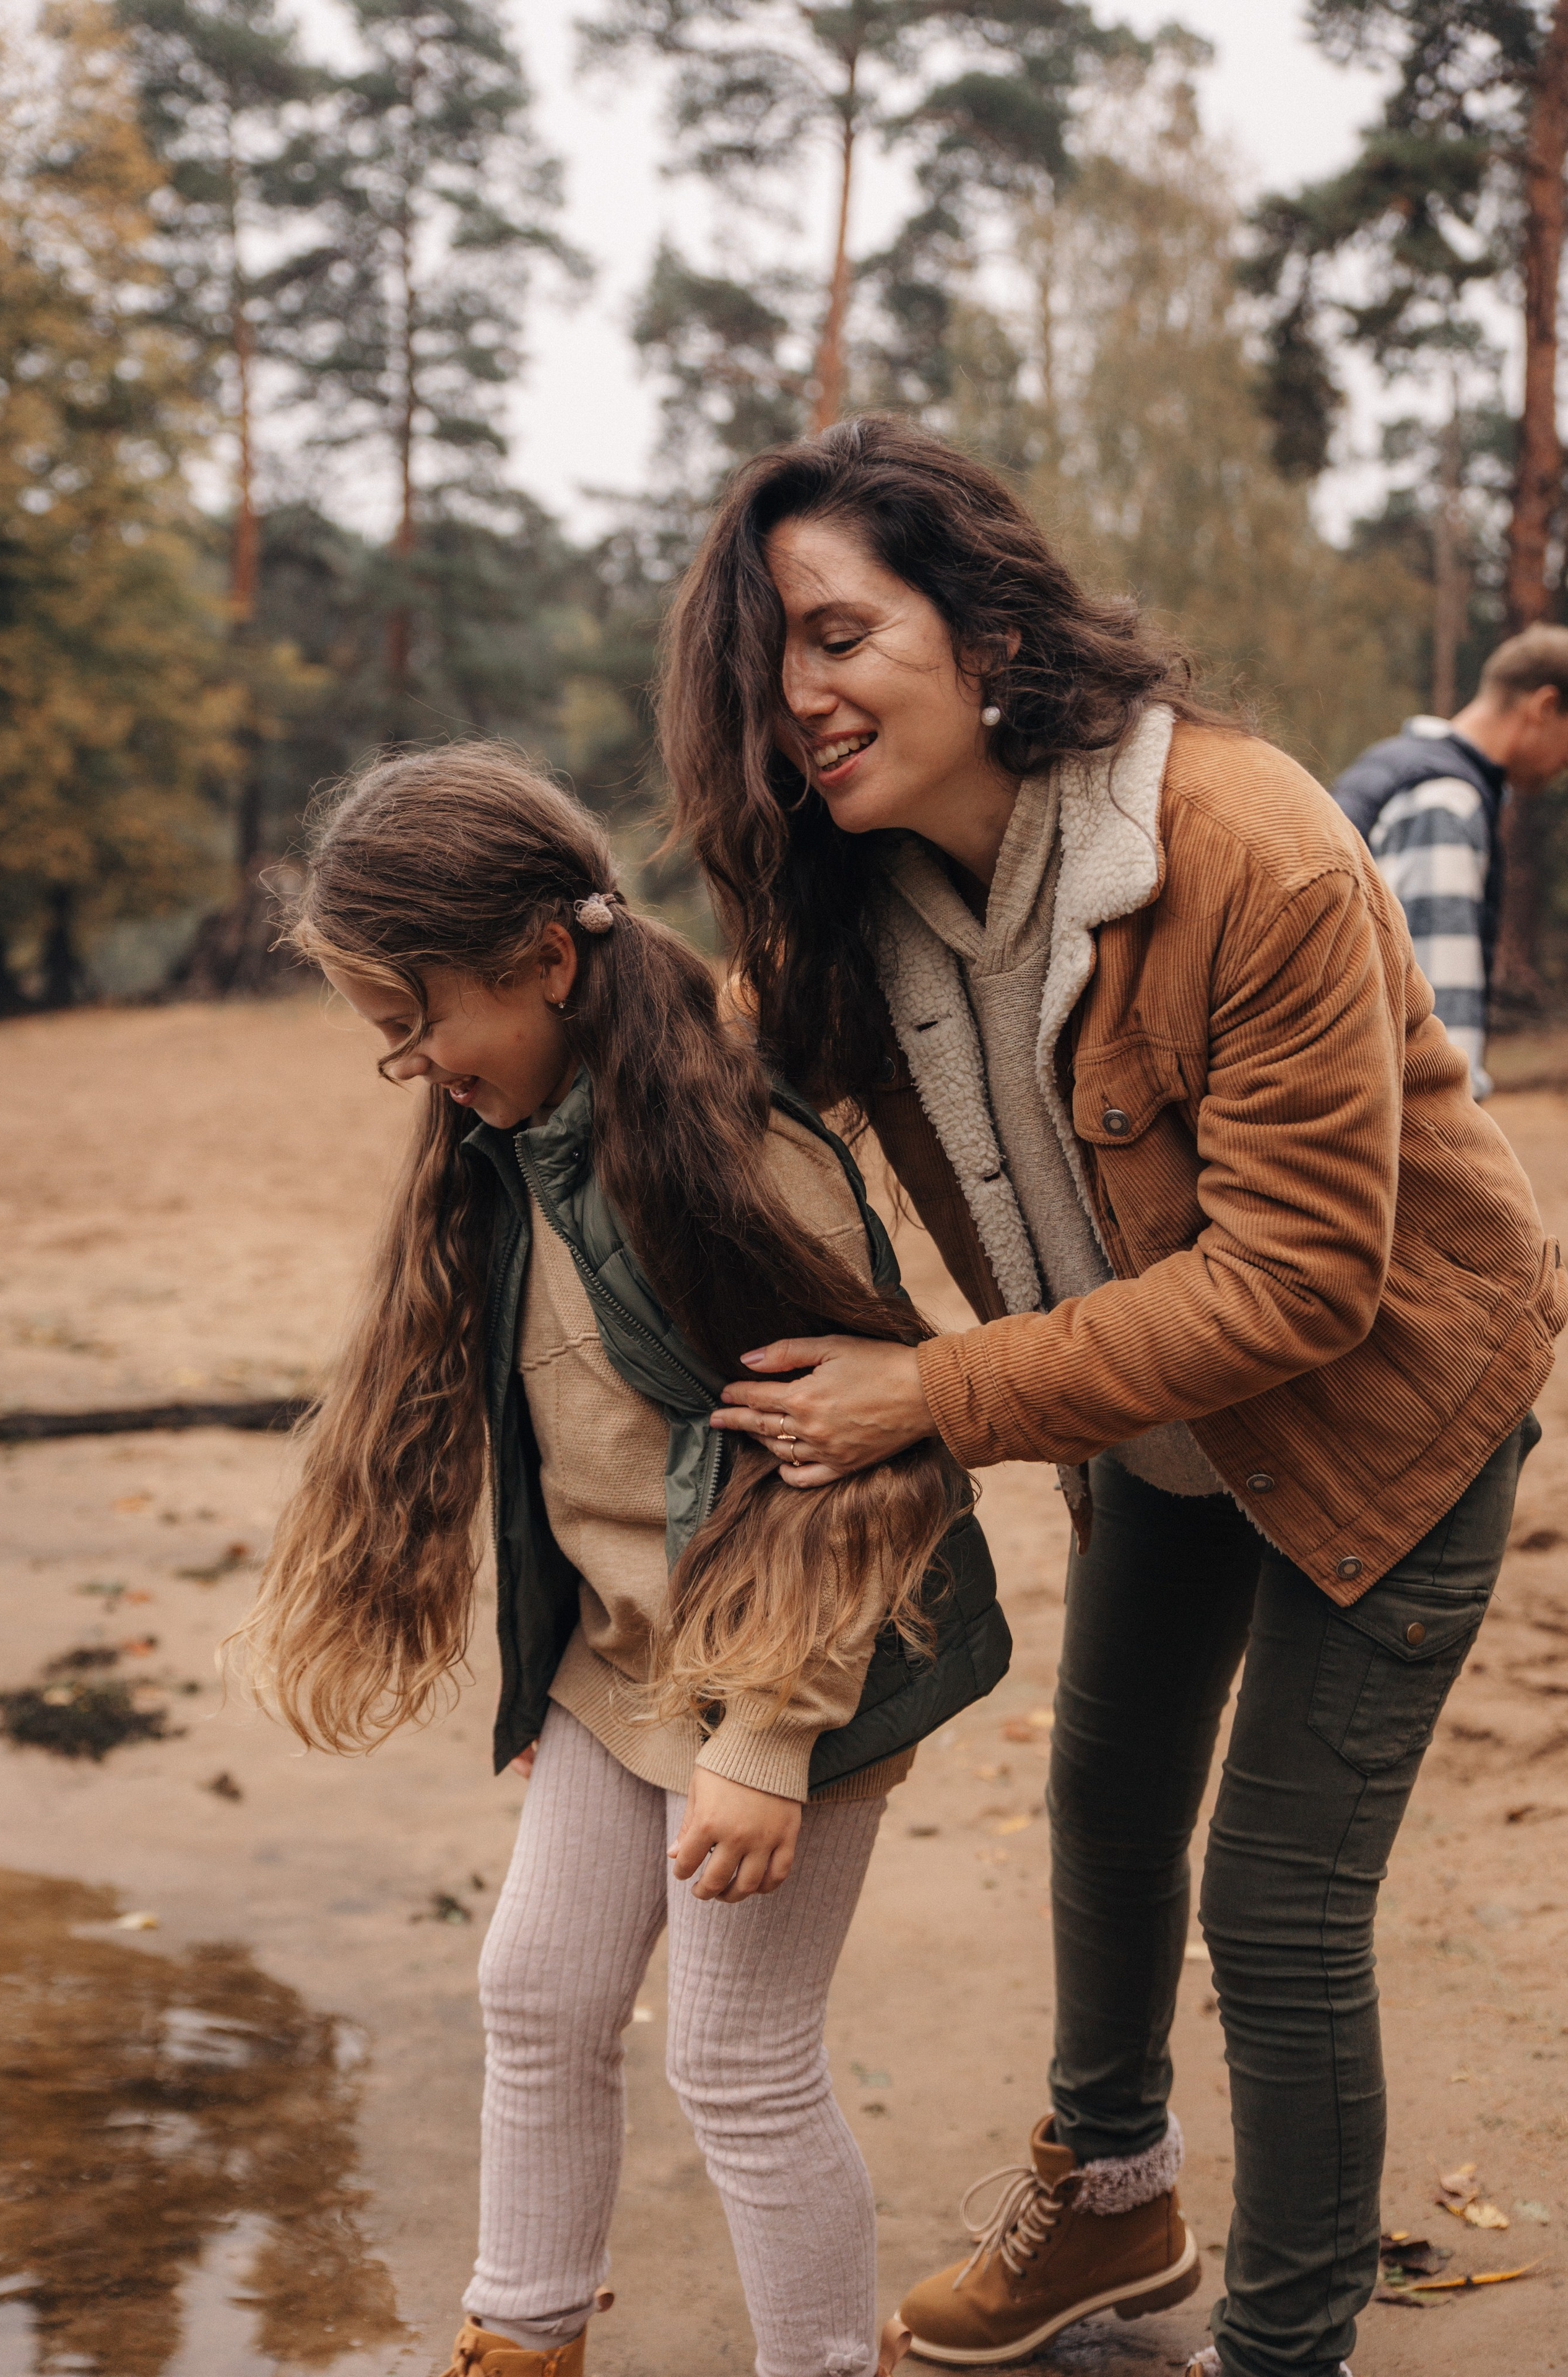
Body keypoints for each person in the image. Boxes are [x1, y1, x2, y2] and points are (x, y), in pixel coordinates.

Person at [661, 414, 1564, 2377]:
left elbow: (1304, 1279)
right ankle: (1109, 2208)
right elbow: (702, 1102)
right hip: (1151, 1420)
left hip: (1389, 1414)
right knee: (1103, 1798)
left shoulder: (1246, 845)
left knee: (1275, 1904)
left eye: (835, 632)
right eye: (766, 665)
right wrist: (524, 993)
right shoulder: (852, 894)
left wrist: (934, 1390)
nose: (797, 697)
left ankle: (1281, 2342)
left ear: (979, 619)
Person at [231, 745, 1009, 2377]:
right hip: (625, 1659)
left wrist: (769, 1744)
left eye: (421, 1023)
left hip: (800, 1659)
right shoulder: (517, 1134)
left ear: (546, 960)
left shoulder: (727, 1147)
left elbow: (861, 1475)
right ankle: (521, 2337)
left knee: (736, 2063)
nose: (420, 1067)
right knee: (533, 1991)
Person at [1331, 623, 1568, 1098]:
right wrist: (1461, 1117)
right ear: (1544, 707)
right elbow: (1440, 1019)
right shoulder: (1445, 801)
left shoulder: (1397, 764)